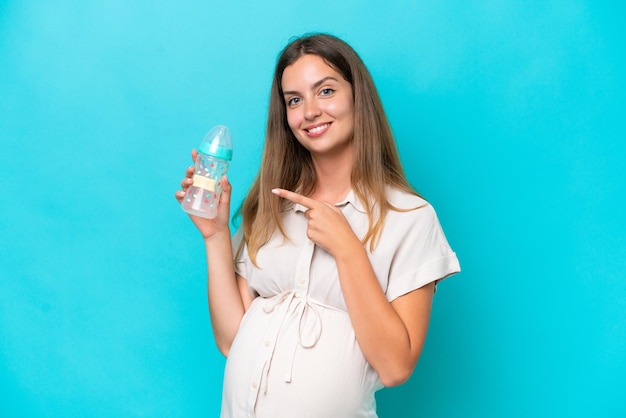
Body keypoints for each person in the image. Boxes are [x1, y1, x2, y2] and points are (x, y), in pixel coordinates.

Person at [175, 33, 460, 418]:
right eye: (294, 100)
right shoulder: (270, 207)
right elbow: (231, 340)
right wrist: (215, 236)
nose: (309, 111)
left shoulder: (410, 217)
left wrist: (347, 249)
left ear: (358, 96)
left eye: (325, 91)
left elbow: (396, 367)